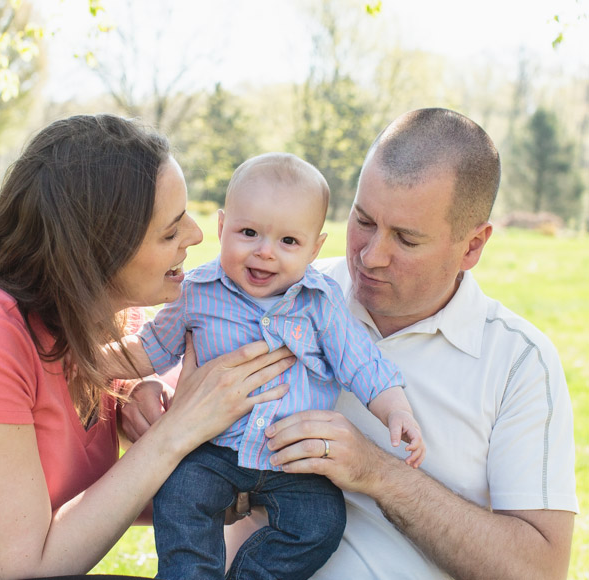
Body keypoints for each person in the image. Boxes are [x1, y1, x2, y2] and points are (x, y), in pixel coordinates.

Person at [0, 114, 297, 580]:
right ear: (98, 252)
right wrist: (177, 433)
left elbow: (110, 496)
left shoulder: (112, 320)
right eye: (170, 230)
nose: (194, 235)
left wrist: (218, 473)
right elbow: (22, 567)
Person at [209, 108, 576, 578]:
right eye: (363, 220)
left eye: (405, 239)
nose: (370, 255)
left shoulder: (519, 363)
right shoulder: (279, 295)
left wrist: (378, 473)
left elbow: (540, 571)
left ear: (472, 246)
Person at [102, 153, 424, 579]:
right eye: (248, 232)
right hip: (212, 449)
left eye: (288, 242)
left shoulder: (321, 303)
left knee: (319, 523)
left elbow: (362, 365)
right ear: (222, 228)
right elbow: (151, 347)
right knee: (179, 497)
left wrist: (396, 410)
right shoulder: (199, 291)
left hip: (291, 458)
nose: (264, 252)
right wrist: (94, 361)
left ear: (314, 248)